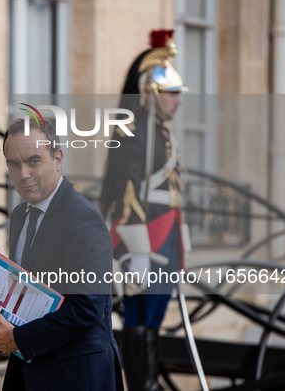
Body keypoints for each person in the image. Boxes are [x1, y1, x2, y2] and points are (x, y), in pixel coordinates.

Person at [0, 118, 123, 391]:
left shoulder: (83, 218)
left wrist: (19, 339)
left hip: (76, 376)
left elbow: (87, 309)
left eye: (34, 161)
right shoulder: (20, 215)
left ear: (57, 159)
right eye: (14, 163)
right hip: (29, 371)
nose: (23, 174)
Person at [100, 30, 191, 391]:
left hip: (165, 229)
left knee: (155, 316)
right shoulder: (133, 129)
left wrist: (181, 234)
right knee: (139, 315)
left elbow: (171, 187)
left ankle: (150, 380)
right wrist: (137, 249)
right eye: (172, 93)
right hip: (143, 234)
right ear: (152, 91)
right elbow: (127, 190)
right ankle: (142, 384)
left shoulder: (161, 132)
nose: (178, 102)